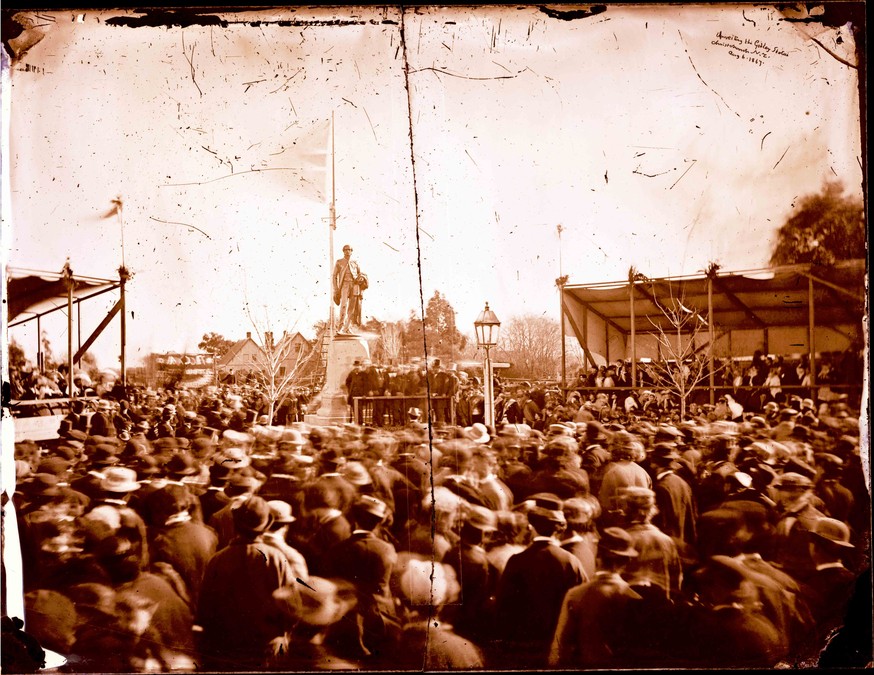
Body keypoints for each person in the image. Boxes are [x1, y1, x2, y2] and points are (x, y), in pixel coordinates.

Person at [333, 244, 365, 334]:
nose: (348, 251)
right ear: (343, 251)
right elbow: (334, 276)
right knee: (343, 305)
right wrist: (335, 289)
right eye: (346, 249)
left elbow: (360, 274)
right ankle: (340, 326)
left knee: (352, 308)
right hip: (344, 285)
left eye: (350, 249)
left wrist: (361, 278)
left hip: (354, 286)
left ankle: (347, 327)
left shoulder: (355, 262)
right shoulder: (339, 262)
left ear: (352, 251)